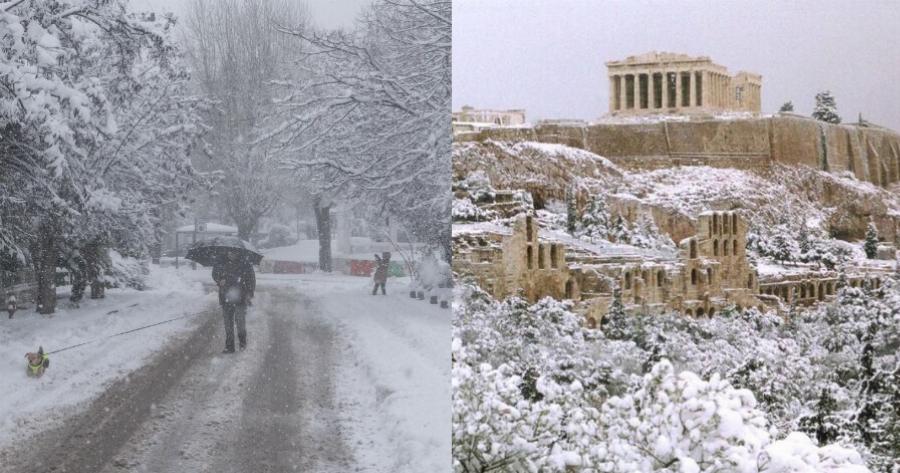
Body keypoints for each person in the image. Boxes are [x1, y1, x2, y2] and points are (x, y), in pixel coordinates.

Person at [212, 252, 255, 353]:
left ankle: (242, 343)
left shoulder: (245, 264)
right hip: (225, 297)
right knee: (228, 324)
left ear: (238, 253)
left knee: (240, 322)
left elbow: (251, 279)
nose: (231, 255)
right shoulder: (220, 262)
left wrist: (249, 293)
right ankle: (229, 346)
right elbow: (214, 274)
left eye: (233, 253)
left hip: (241, 297)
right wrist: (219, 280)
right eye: (229, 253)